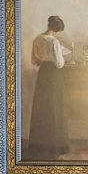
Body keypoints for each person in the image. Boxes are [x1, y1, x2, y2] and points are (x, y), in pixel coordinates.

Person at [25, 15, 72, 160]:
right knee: (54, 109)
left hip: (42, 75)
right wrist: (63, 55)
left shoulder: (37, 39)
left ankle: (39, 144)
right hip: (53, 76)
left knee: (42, 108)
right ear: (56, 30)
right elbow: (59, 63)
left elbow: (34, 61)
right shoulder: (54, 42)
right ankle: (56, 145)